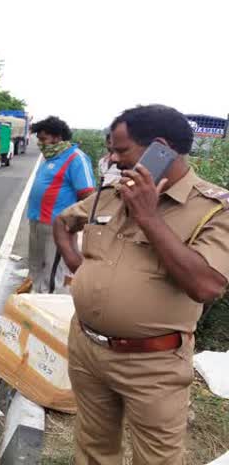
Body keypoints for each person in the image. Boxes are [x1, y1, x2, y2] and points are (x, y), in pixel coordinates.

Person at [54, 104, 229, 465]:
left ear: (160, 148)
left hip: (153, 363)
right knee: (93, 448)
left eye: (122, 150)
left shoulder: (215, 209)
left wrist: (149, 217)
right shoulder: (115, 192)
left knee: (157, 459)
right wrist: (78, 266)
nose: (113, 159)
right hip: (87, 348)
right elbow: (63, 222)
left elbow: (206, 286)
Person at [27, 116, 95, 293]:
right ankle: (32, 301)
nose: (40, 144)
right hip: (37, 222)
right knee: (36, 268)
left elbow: (87, 195)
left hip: (58, 226)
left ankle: (48, 305)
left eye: (43, 139)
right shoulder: (51, 158)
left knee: (53, 271)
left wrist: (71, 224)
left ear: (57, 137)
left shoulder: (76, 158)